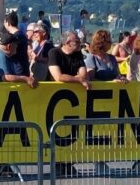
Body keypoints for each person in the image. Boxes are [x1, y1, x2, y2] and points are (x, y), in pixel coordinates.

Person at [48, 31, 89, 178]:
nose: (79, 44)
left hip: (72, 101)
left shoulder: (78, 55)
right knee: (56, 133)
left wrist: (77, 78)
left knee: (71, 133)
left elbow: (84, 74)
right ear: (66, 43)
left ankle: (68, 163)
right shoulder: (54, 53)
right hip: (52, 98)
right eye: (76, 42)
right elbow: (58, 76)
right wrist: (78, 80)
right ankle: (57, 163)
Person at [4, 11, 30, 77]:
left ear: (8, 23)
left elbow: (10, 53)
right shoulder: (21, 35)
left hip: (18, 71)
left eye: (4, 22)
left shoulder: (15, 37)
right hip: (23, 68)